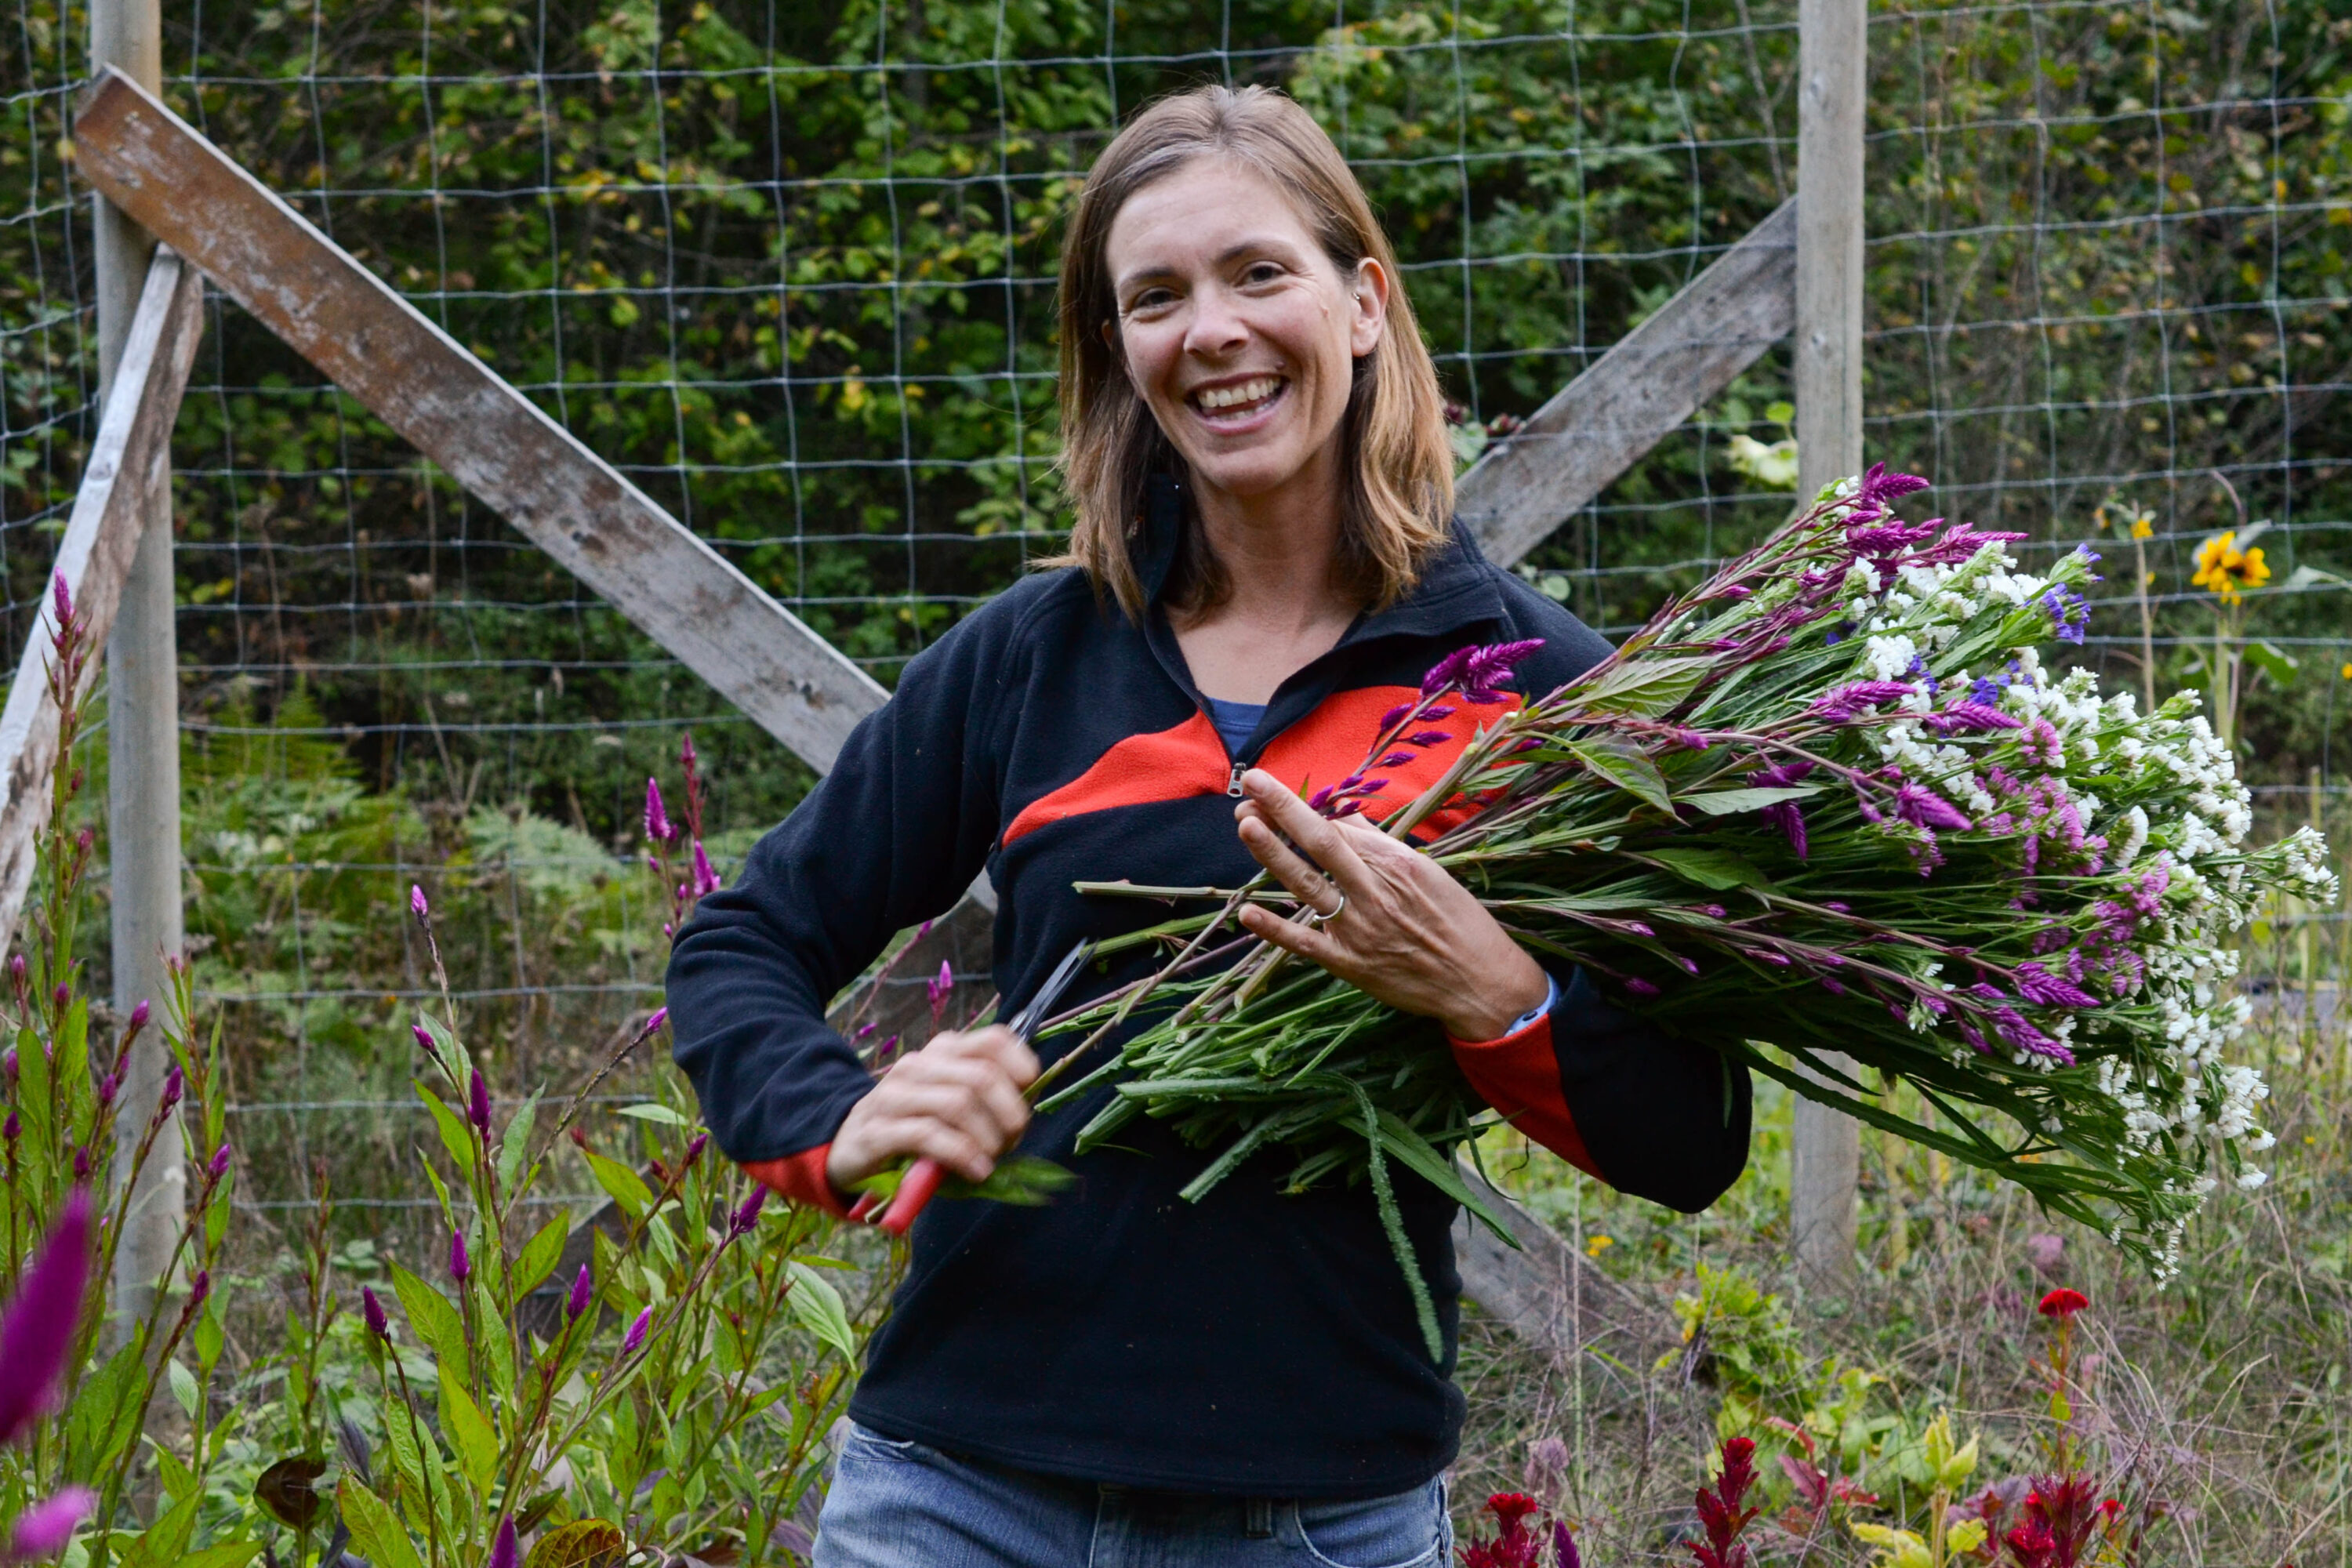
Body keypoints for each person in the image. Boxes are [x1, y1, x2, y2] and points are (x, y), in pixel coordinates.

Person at [667, 82, 1751, 1568]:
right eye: (1156, 297)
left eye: (1259, 274)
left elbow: (1694, 1135)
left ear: (1362, 303)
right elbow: (745, 937)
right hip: (956, 1498)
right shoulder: (1036, 654)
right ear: (1121, 351)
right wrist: (836, 1116)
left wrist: (1489, 991)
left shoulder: (1535, 694)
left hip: (1314, 1520)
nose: (1213, 332)